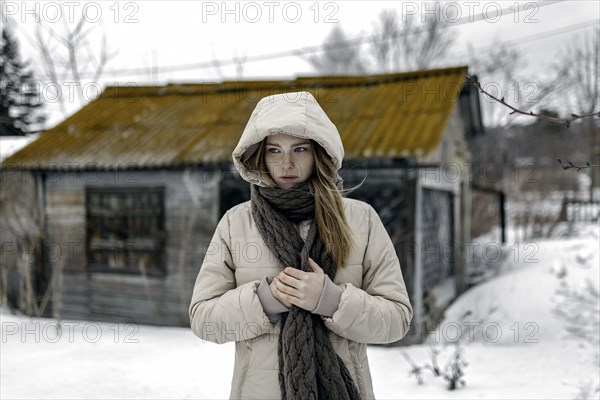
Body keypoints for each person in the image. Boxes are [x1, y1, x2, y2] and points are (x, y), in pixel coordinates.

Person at [189, 91, 413, 400]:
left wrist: (332, 300)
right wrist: (264, 300)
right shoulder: (235, 223)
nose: (287, 163)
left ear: (319, 151)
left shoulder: (360, 220)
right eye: (274, 150)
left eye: (300, 149)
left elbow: (396, 319)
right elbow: (204, 319)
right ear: (259, 155)